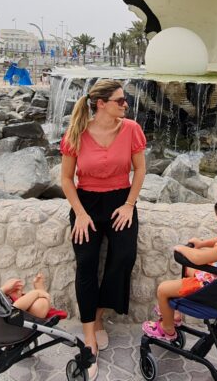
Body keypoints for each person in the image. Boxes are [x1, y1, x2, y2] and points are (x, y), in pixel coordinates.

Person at [61, 79, 146, 379]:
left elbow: (140, 169)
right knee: (86, 262)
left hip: (121, 201)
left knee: (123, 256)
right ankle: (89, 341)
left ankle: (97, 316)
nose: (126, 105)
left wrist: (129, 205)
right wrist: (80, 214)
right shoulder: (76, 132)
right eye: (120, 101)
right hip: (86, 203)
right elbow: (66, 179)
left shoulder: (132, 129)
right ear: (101, 104)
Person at [141, 193, 217, 341]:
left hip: (209, 288)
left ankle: (167, 329)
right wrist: (202, 243)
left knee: (163, 290)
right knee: (188, 270)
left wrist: (182, 249)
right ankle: (174, 314)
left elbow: (198, 258)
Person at [0, 274, 67, 320]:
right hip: (12, 316)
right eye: (12, 291)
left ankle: (40, 293)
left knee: (41, 302)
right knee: (41, 303)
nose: (19, 289)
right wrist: (3, 289)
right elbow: (14, 309)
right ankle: (39, 292)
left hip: (16, 311)